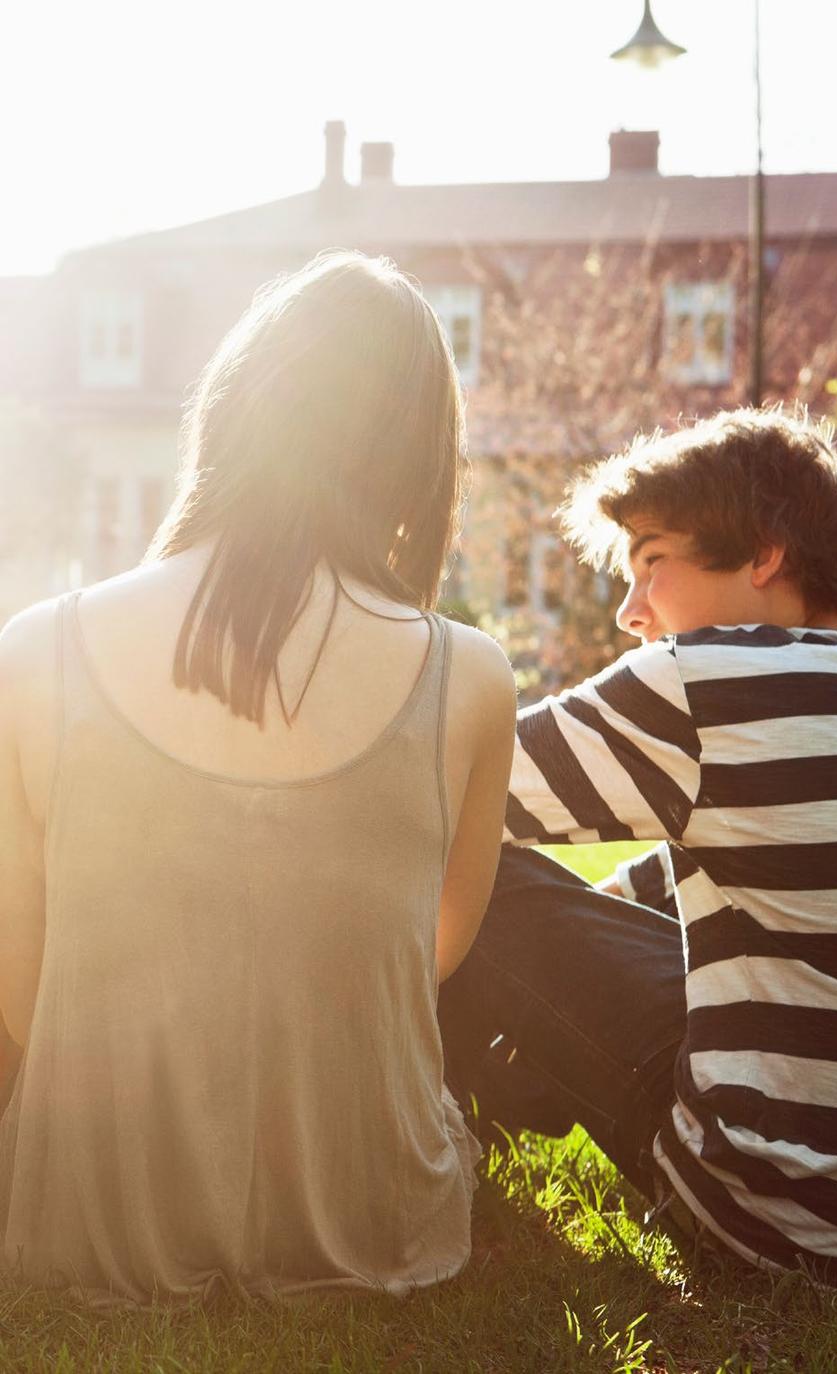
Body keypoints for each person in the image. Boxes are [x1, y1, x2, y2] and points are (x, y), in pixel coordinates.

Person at [0, 251, 516, 1304]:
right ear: (420, 453)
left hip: (91, 1223)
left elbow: (19, 995)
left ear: (230, 412)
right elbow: (431, 957)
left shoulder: (32, 653)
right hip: (374, 1223)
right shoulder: (469, 674)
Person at [439, 408, 837, 1297]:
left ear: (763, 552)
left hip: (796, 1219)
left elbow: (444, 792)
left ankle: (440, 1128)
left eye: (651, 563)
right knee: (648, 895)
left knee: (483, 872)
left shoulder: (707, 683)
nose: (632, 614)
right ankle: (519, 1090)